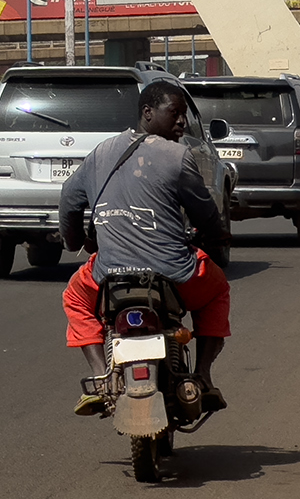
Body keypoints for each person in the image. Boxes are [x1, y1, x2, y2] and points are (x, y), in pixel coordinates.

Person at [60, 80, 231, 417]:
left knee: (75, 298)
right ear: (148, 112)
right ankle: (203, 375)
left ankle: (101, 377)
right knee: (218, 290)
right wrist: (218, 237)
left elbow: (69, 198)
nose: (182, 122)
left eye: (184, 115)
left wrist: (73, 241)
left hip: (109, 276)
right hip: (174, 275)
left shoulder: (101, 152)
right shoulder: (178, 156)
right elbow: (206, 215)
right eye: (175, 113)